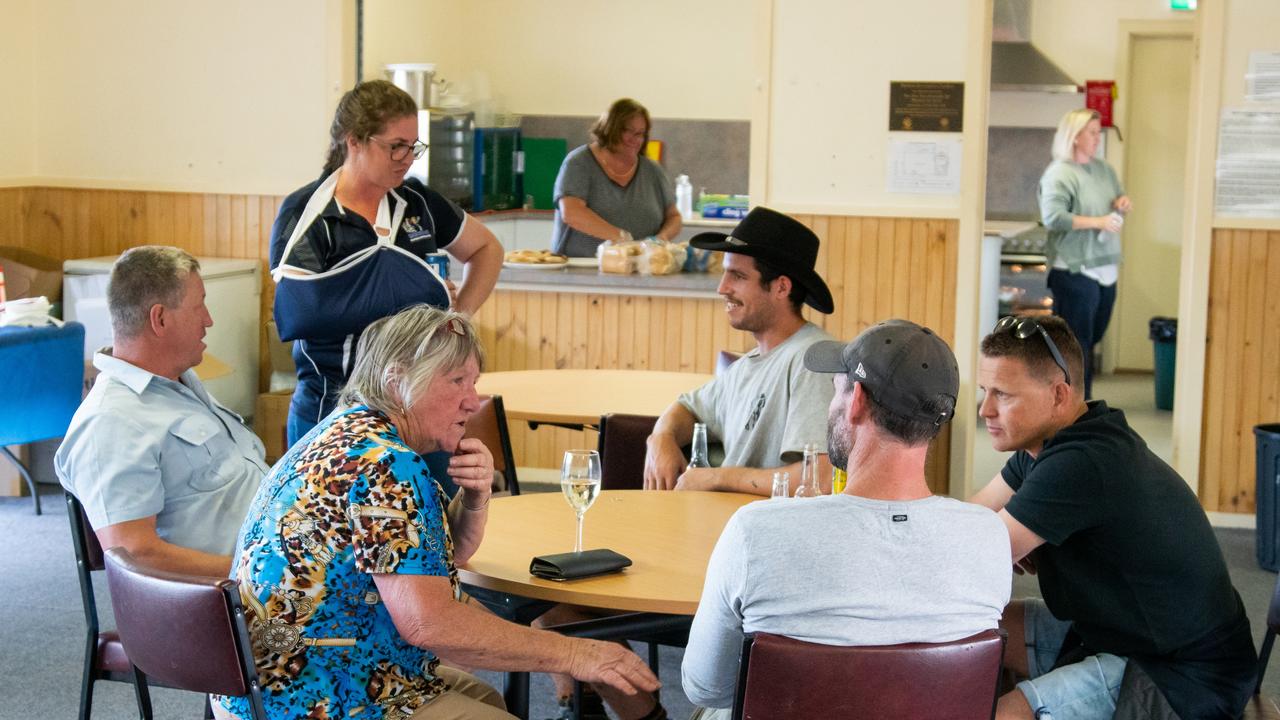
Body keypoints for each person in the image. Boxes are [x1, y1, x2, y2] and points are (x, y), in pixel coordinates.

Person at [214, 305, 658, 720]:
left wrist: (476, 496)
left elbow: (437, 565)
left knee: (484, 697)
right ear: (396, 381)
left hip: (264, 682)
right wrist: (576, 655)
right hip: (317, 695)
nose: (474, 400)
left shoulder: (344, 431)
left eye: (474, 382)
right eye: (456, 381)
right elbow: (430, 624)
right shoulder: (386, 465)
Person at [681, 319, 1012, 718]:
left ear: (856, 401)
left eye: (835, 390)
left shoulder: (755, 533)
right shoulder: (989, 537)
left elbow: (705, 684)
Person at [970, 315, 1256, 719]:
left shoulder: (1082, 462)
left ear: (1058, 395)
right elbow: (972, 523)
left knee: (1004, 714)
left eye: (1003, 394)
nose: (985, 409)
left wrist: (997, 543)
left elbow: (970, 555)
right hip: (1120, 634)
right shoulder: (1047, 447)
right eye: (985, 391)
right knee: (977, 634)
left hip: (1184, 675)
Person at [271, 79, 503, 446]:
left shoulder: (416, 202)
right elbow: (301, 311)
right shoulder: (310, 214)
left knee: (425, 503)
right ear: (354, 141)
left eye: (413, 147)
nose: (408, 159)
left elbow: (487, 249)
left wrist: (459, 314)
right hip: (333, 410)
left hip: (420, 413)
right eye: (396, 147)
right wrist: (419, 297)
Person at [55, 246, 268, 576]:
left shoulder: (178, 381)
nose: (208, 320)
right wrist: (258, 577)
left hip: (278, 568)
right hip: (235, 603)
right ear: (160, 318)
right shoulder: (111, 423)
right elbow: (136, 555)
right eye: (199, 307)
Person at [642, 206, 836, 495]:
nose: (722, 288)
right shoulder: (747, 366)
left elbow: (819, 479)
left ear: (781, 287)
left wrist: (717, 477)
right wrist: (661, 438)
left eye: (738, 276)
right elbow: (687, 408)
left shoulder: (814, 359)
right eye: (724, 274)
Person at [1038, 108, 1133, 399]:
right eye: (1092, 132)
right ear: (1074, 137)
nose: (1097, 138)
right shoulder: (1060, 174)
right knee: (1075, 347)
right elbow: (1053, 217)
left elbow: (1115, 200)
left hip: (1105, 266)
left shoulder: (1104, 170)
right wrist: (1097, 222)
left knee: (1090, 341)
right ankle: (1075, 408)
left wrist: (1121, 203)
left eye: (1098, 131)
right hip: (1075, 269)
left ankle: (1080, 405)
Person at [551, 98, 682, 257]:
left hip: (640, 268)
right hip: (583, 268)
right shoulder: (578, 164)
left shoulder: (652, 171)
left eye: (640, 133)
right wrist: (621, 237)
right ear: (610, 128)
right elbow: (571, 213)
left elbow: (674, 217)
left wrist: (661, 238)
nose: (635, 139)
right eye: (628, 131)